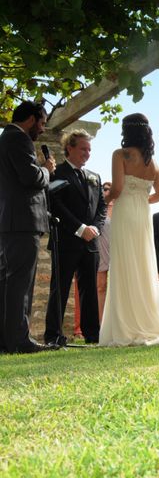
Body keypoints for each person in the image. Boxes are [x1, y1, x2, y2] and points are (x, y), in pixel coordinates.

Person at [100, 113, 159, 346]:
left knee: (123, 264)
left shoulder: (120, 154)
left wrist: (103, 199)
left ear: (126, 131)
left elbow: (117, 188)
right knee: (141, 264)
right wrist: (141, 199)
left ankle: (127, 322)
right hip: (141, 215)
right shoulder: (153, 164)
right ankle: (147, 318)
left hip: (125, 213)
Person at [0, 101, 57, 354]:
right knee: (20, 284)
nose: (43, 129)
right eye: (42, 122)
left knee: (8, 282)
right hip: (22, 221)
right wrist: (46, 170)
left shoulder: (5, 138)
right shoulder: (18, 139)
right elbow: (31, 178)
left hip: (9, 222)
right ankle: (18, 340)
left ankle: (7, 340)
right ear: (31, 119)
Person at [44, 129, 106, 346]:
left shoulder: (95, 177)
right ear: (69, 147)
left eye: (89, 149)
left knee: (89, 290)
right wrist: (80, 228)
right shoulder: (56, 173)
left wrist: (95, 229)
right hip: (67, 241)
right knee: (59, 289)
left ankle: (92, 335)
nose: (87, 153)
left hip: (91, 243)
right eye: (83, 149)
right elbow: (55, 205)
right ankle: (53, 336)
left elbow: (102, 207)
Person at [96, 181, 114, 322]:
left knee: (118, 287)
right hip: (102, 249)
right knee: (101, 286)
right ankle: (101, 323)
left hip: (118, 251)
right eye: (105, 189)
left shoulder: (121, 210)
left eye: (111, 189)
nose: (108, 192)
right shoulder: (98, 209)